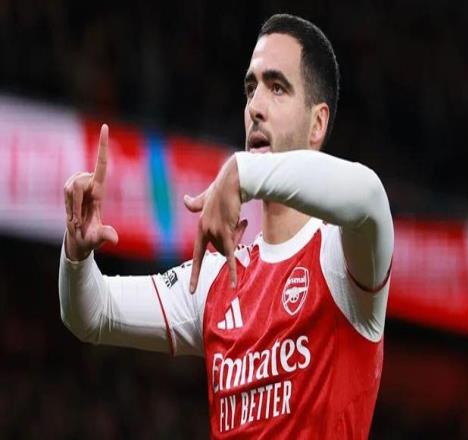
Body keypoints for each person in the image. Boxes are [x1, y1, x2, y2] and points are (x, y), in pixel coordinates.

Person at [59, 14, 393, 439]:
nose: (255, 107)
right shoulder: (218, 277)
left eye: (277, 88)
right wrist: (76, 253)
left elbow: (369, 198)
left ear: (317, 124)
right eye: (251, 89)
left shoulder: (341, 260)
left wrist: (242, 172)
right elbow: (92, 313)